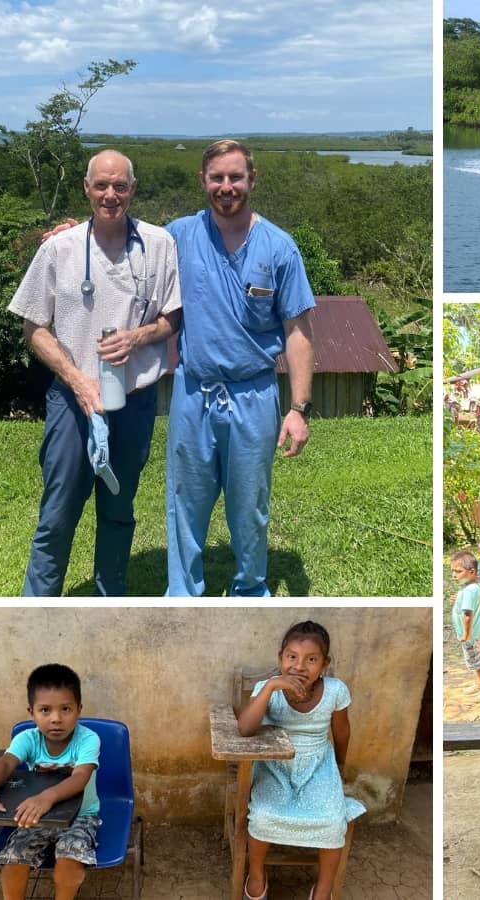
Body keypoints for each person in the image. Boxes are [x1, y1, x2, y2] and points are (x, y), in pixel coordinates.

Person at [8, 150, 181, 596]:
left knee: (119, 510)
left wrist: (137, 338)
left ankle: (110, 599)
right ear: (86, 188)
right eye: (101, 185)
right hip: (72, 399)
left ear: (133, 189)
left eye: (120, 186)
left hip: (135, 399)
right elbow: (34, 327)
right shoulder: (59, 249)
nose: (110, 195)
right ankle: (38, 606)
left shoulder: (159, 245)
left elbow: (172, 320)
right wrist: (77, 380)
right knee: (58, 511)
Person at [164, 139, 316, 596]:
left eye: (235, 177)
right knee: (185, 502)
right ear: (203, 181)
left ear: (252, 179)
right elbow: (123, 245)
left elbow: (299, 333)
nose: (226, 187)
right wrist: (76, 234)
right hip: (193, 391)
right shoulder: (179, 236)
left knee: (249, 505)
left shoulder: (279, 248)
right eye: (217, 178)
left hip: (254, 395)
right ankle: (182, 592)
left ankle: (250, 587)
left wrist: (299, 409)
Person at [236, 621, 365, 900]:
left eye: (311, 660)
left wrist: (340, 768)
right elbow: (245, 729)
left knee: (332, 820)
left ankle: (323, 889)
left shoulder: (335, 690)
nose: (299, 666)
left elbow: (341, 733)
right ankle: (257, 877)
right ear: (280, 658)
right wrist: (270, 687)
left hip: (319, 766)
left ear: (325, 664)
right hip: (274, 767)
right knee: (262, 815)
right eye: (291, 657)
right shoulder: (266, 688)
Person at [0, 664, 101, 900]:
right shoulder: (27, 738)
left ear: (79, 710)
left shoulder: (88, 739)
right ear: (31, 712)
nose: (56, 719)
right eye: (45, 710)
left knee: (69, 865)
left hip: (80, 816)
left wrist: (46, 796)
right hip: (35, 818)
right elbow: (5, 764)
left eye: (65, 709)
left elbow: (80, 777)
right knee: (14, 862)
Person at [450, 551, 480, 699]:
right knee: (475, 661)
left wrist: (466, 634)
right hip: (474, 633)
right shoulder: (473, 585)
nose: (454, 575)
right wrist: (458, 599)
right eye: (453, 571)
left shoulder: (469, 590)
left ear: (472, 571)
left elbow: (467, 615)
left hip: (471, 635)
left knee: (478, 664)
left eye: (458, 571)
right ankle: (479, 684)